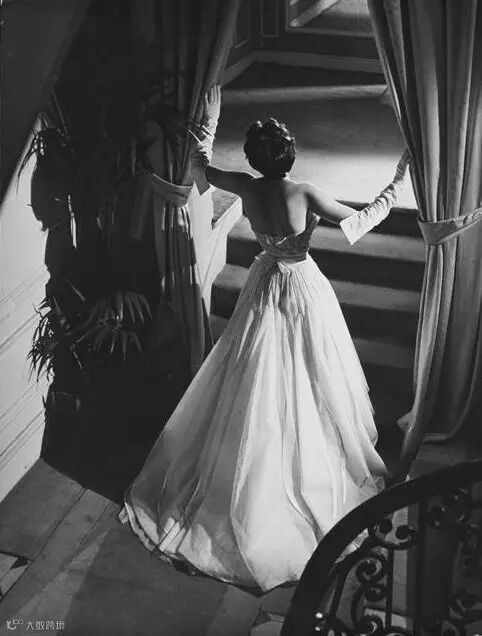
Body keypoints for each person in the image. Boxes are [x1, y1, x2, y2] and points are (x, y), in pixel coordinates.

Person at [119, 84, 411, 592]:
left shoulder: (246, 186)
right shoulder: (305, 192)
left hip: (266, 281)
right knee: (310, 370)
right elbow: (359, 223)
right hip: (300, 283)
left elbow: (202, 169)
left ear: (255, 159)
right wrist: (398, 182)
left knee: (253, 367)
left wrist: (202, 133)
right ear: (289, 155)